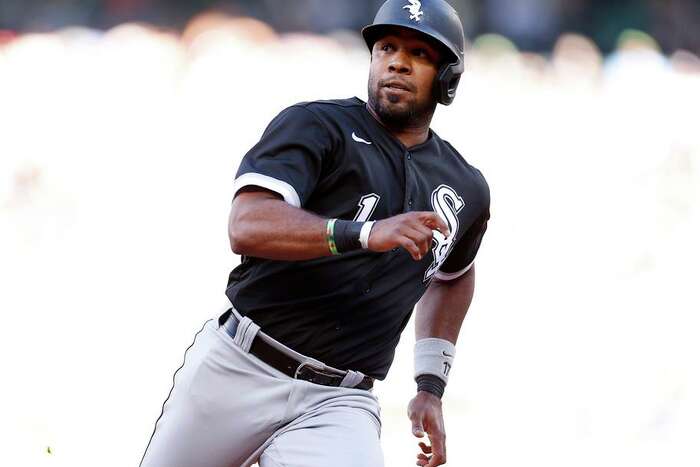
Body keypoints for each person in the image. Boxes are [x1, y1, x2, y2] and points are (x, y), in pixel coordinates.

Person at [140, 1, 489, 466]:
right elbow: (247, 225)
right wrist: (363, 234)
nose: (398, 61)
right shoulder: (318, 125)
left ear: (449, 78)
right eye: (387, 46)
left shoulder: (465, 184)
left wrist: (430, 385)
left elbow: (455, 275)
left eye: (420, 54)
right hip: (240, 368)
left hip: (340, 401)